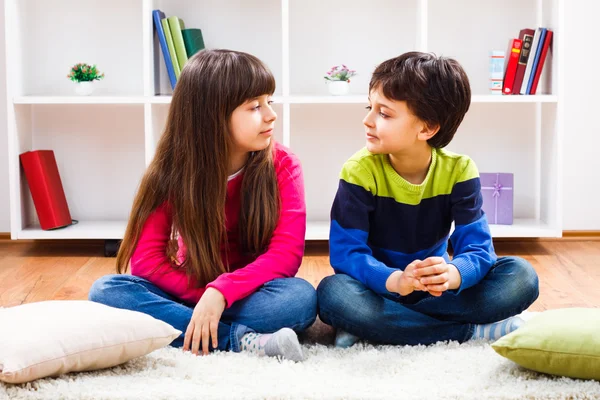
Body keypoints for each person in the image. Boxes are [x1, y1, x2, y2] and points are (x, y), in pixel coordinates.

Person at [89, 49, 317, 362]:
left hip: (253, 291)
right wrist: (207, 297)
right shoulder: (170, 170)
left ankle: (185, 326)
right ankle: (239, 340)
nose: (270, 115)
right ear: (212, 116)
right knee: (106, 292)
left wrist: (223, 292)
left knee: (299, 299)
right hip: (191, 288)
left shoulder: (283, 165)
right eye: (254, 106)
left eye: (269, 102)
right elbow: (147, 260)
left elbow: (286, 255)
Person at [317, 51, 539, 348]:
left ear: (427, 128)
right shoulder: (359, 171)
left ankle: (380, 326)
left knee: (522, 277)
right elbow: (347, 255)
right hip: (380, 287)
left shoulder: (459, 170)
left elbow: (478, 248)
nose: (367, 120)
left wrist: (452, 274)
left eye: (383, 113)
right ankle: (467, 332)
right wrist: (397, 281)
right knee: (334, 293)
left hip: (438, 291)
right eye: (370, 107)